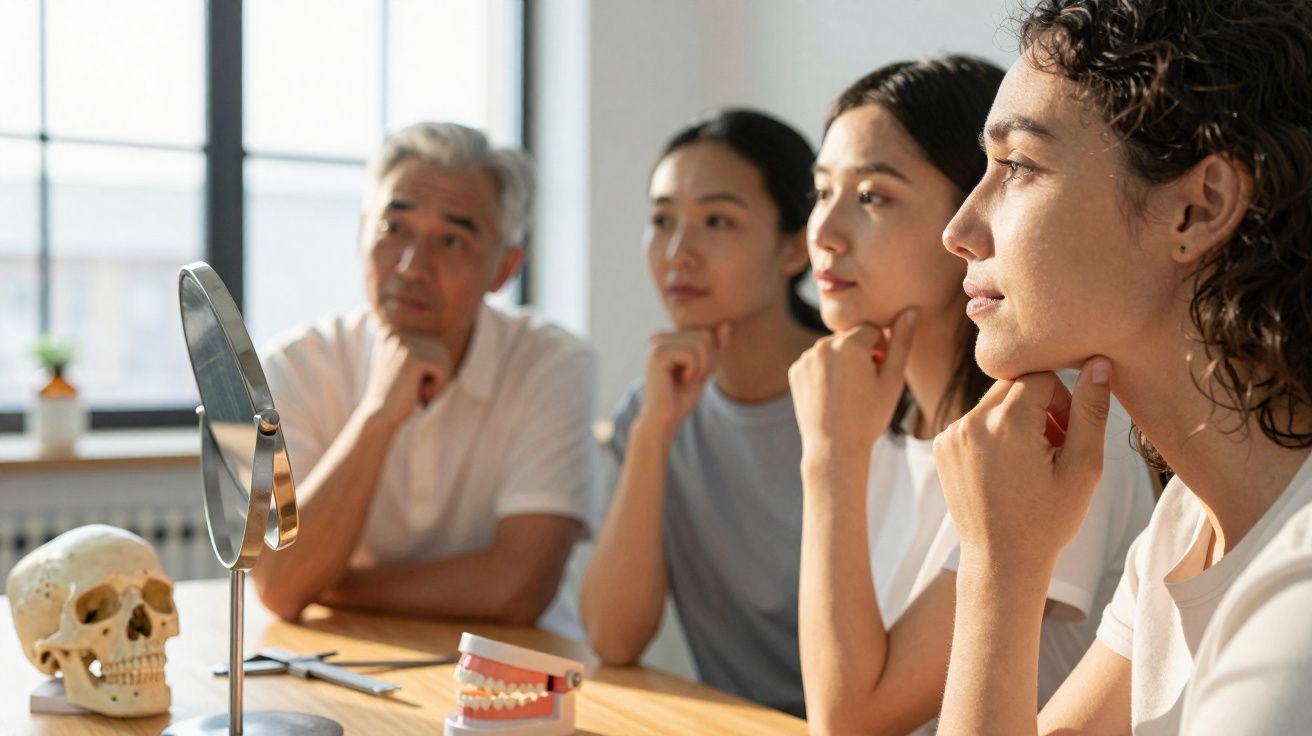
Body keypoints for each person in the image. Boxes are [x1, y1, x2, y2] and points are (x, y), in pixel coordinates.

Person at [932, 1, 1312, 733]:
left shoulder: (1298, 597)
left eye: (1018, 165)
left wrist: (996, 570)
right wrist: (1003, 560)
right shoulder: (1190, 522)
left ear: (1199, 208)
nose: (960, 229)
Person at [789, 57, 1156, 734]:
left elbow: (851, 719)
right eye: (821, 191)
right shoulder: (878, 414)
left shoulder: (1058, 425)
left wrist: (830, 458)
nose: (823, 232)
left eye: (872, 196)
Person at [252, 122, 599, 634]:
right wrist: (377, 415)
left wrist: (333, 584)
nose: (412, 266)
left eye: (452, 241)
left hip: (515, 659)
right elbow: (282, 588)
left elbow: (519, 588)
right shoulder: (295, 366)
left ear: (504, 269)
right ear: (362, 232)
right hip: (351, 651)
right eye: (394, 229)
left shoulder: (550, 363)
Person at [580, 110, 825, 717]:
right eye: (662, 220)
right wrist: (653, 436)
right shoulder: (652, 407)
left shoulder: (868, 393)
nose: (678, 253)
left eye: (717, 221)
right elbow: (613, 637)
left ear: (794, 247)